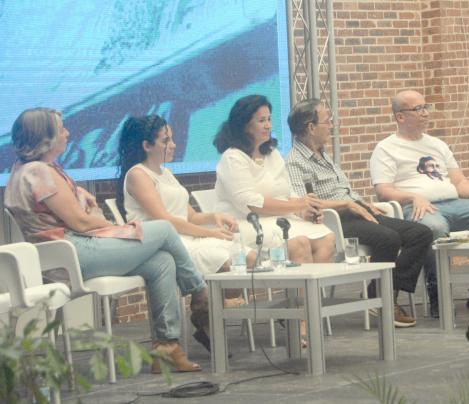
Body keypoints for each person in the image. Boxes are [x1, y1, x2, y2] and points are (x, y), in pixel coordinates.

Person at [4, 108, 205, 373]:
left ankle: (166, 348)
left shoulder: (26, 170)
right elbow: (80, 222)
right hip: (73, 253)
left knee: (162, 262)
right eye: (61, 129)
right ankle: (199, 294)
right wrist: (115, 227)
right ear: (46, 138)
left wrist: (79, 192)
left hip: (69, 252)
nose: (68, 133)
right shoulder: (39, 172)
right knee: (165, 229)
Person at [286, 99, 434, 324]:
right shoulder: (295, 162)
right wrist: (346, 204)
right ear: (311, 127)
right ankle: (383, 299)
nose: (332, 126)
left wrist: (363, 203)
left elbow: (344, 189)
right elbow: (304, 204)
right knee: (389, 238)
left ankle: (380, 292)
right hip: (333, 221)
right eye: (327, 121)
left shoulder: (323, 154)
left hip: (355, 211)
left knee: (420, 233)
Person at [115, 114, 255, 319]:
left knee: (249, 257)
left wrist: (215, 217)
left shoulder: (166, 173)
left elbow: (191, 216)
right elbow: (165, 221)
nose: (173, 145)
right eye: (166, 140)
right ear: (147, 145)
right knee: (228, 262)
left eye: (171, 139)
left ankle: (207, 309)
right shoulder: (138, 175)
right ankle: (207, 311)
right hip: (167, 245)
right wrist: (210, 234)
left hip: (188, 237)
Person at [369, 90, 469, 309]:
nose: (426, 113)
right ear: (400, 116)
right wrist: (413, 196)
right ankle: (437, 291)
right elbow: (383, 191)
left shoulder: (437, 144)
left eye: (426, 107)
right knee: (435, 228)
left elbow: (458, 180)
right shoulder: (386, 148)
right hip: (417, 208)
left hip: (454, 203)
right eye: (418, 109)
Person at [212, 94, 336, 265]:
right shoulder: (233, 157)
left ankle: (316, 284)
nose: (268, 125)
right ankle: (303, 284)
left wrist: (304, 211)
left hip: (279, 219)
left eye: (269, 119)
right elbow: (250, 203)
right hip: (246, 223)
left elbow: (287, 193)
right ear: (244, 124)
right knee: (299, 243)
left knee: (327, 239)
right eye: (261, 121)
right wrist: (298, 205)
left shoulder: (273, 154)